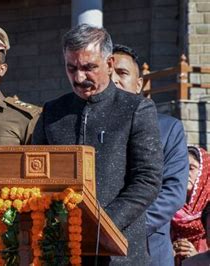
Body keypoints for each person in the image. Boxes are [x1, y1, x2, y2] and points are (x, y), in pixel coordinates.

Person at [32, 24, 163, 265]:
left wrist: (101, 223)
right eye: (71, 68)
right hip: (62, 250)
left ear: (110, 64)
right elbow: (34, 174)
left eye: (88, 67)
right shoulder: (53, 112)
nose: (79, 77)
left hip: (119, 252)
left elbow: (147, 179)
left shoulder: (135, 110)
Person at [111, 44, 189, 266]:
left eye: (122, 73)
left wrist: (124, 228)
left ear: (139, 84)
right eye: (109, 74)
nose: (115, 80)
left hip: (149, 247)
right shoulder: (92, 126)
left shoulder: (168, 129)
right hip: (100, 250)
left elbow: (173, 192)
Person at [172, 146, 209, 264]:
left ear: (204, 172)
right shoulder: (168, 206)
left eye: (191, 168)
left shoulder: (208, 208)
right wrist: (171, 251)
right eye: (181, 168)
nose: (185, 173)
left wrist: (198, 258)